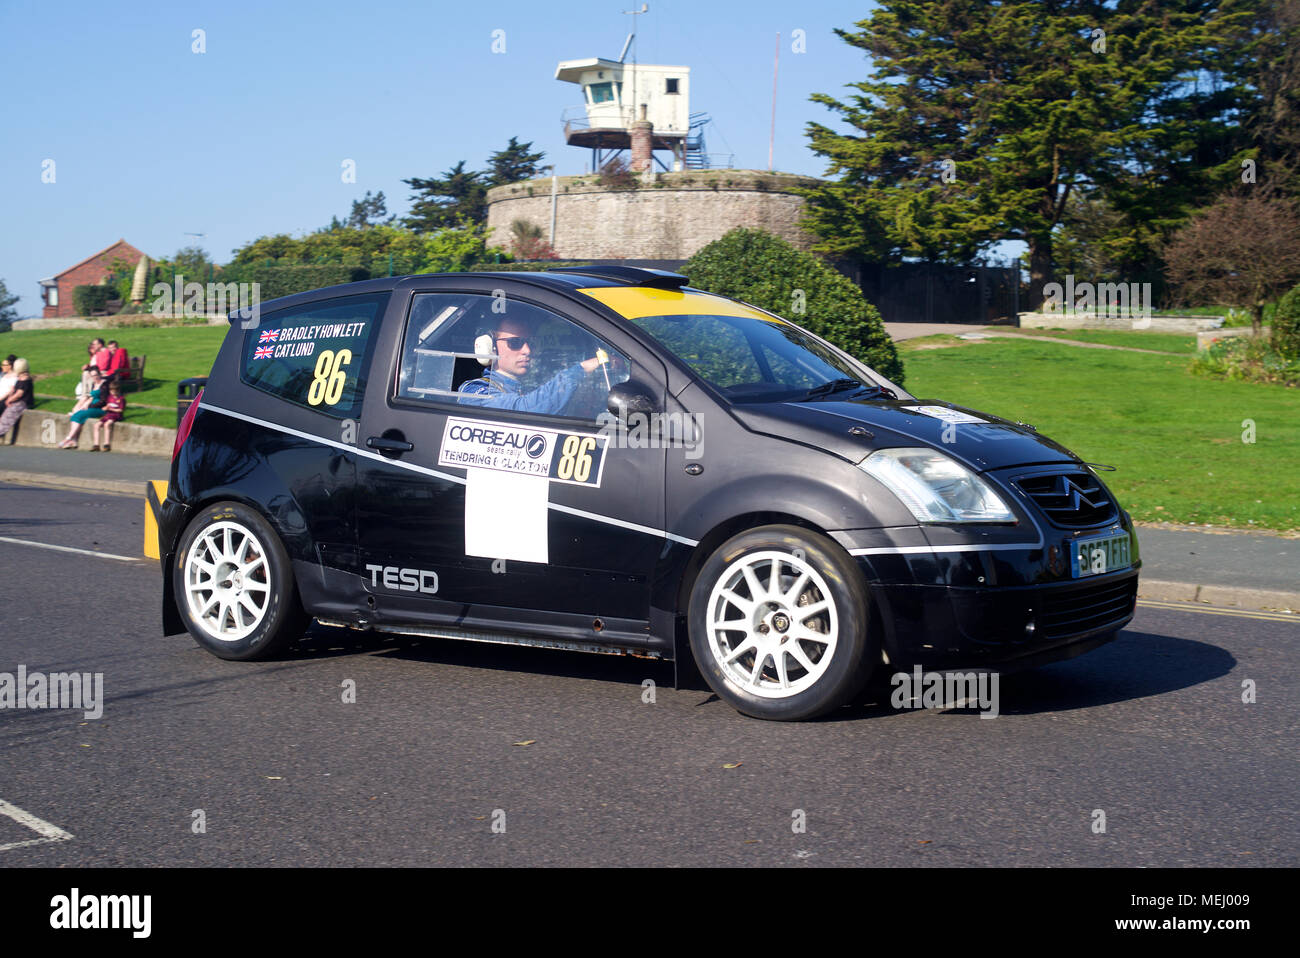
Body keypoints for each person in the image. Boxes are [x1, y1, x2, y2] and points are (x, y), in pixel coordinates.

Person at [457, 317, 608, 415]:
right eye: (515, 343)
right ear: (490, 347)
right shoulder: (473, 392)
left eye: (531, 343)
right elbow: (522, 410)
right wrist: (581, 369)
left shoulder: (532, 388)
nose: (527, 350)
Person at [59, 368, 107, 448]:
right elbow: (91, 397)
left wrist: (89, 405)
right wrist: (85, 404)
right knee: (75, 415)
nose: (94, 377)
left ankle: (68, 438)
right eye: (92, 376)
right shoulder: (94, 384)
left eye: (96, 375)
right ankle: (74, 441)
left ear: (99, 374)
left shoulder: (104, 385)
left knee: (79, 415)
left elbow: (103, 401)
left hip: (99, 409)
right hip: (90, 407)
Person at [0, 358, 34, 440]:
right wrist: (9, 397)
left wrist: (10, 399)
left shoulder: (26, 379)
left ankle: (1, 432)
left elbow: (19, 393)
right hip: (15, 401)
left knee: (9, 415)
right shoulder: (20, 378)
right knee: (4, 415)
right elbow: (13, 389)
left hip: (23, 402)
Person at [90, 381, 126, 451]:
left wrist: (112, 409)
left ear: (118, 391)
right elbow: (107, 405)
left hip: (116, 415)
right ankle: (96, 444)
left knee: (107, 424)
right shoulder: (109, 397)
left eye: (114, 391)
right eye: (111, 391)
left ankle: (106, 444)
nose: (113, 393)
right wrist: (105, 408)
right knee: (96, 425)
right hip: (109, 414)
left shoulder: (121, 399)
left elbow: (121, 410)